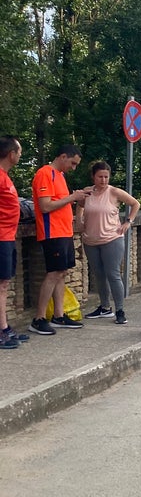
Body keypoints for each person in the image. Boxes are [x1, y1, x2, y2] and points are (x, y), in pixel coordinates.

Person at [28, 143, 88, 336]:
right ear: (63, 156)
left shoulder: (60, 176)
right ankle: (38, 318)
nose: (73, 168)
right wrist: (72, 197)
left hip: (63, 231)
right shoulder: (45, 173)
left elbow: (60, 203)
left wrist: (76, 198)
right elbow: (45, 206)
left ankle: (59, 315)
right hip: (51, 232)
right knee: (53, 273)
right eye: (72, 163)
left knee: (61, 272)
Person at [78, 161, 140, 324]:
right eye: (100, 177)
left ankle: (120, 310)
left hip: (112, 237)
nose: (103, 180)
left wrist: (128, 221)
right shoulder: (87, 192)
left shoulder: (114, 192)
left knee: (113, 274)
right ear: (93, 176)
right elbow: (80, 204)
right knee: (98, 274)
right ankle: (105, 307)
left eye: (106, 177)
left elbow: (135, 203)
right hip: (91, 239)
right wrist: (79, 220)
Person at [0, 136, 29, 348]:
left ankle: (4, 327)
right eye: (19, 152)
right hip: (1, 237)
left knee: (4, 284)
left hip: (8, 237)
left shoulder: (5, 177)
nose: (20, 155)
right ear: (11, 154)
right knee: (1, 285)